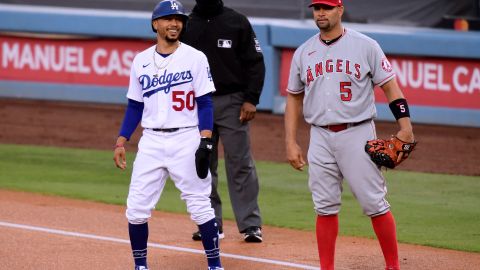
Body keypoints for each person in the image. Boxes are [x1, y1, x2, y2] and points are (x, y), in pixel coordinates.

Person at [284, 0, 415, 270]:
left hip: (357, 132)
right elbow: (294, 98)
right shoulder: (303, 52)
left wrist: (406, 126)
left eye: (327, 7)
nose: (321, 12)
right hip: (319, 136)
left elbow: (391, 88)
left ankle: (393, 266)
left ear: (340, 10)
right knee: (324, 206)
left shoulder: (365, 46)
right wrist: (290, 140)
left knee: (374, 202)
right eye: (317, 7)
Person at [113, 1, 223, 269]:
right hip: (150, 141)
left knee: (200, 206)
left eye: (179, 19)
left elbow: (205, 102)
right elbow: (135, 105)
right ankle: (140, 265)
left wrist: (206, 140)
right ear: (155, 24)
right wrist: (122, 139)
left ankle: (215, 265)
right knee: (136, 208)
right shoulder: (141, 61)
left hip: (186, 138)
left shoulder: (195, 57)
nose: (174, 24)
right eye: (168, 19)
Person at [181, 0, 266, 243]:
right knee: (203, 162)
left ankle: (251, 224)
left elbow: (255, 62)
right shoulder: (187, 24)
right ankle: (210, 222)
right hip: (197, 103)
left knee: (240, 163)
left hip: (232, 101)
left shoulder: (237, 21)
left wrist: (251, 99)